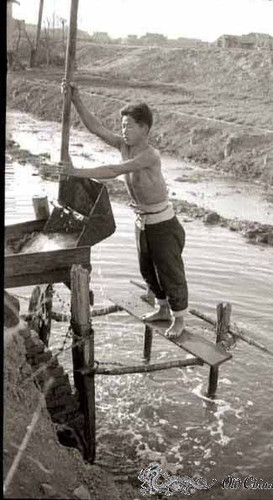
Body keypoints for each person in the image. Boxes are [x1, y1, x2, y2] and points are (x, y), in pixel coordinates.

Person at [60, 81, 188, 338]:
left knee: (169, 271)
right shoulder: (123, 145)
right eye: (122, 126)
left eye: (129, 125)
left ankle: (179, 319)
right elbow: (95, 128)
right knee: (146, 269)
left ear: (144, 128)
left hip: (163, 223)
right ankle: (162, 309)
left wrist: (75, 171)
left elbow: (115, 170)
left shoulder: (150, 155)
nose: (124, 130)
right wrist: (76, 99)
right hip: (143, 222)